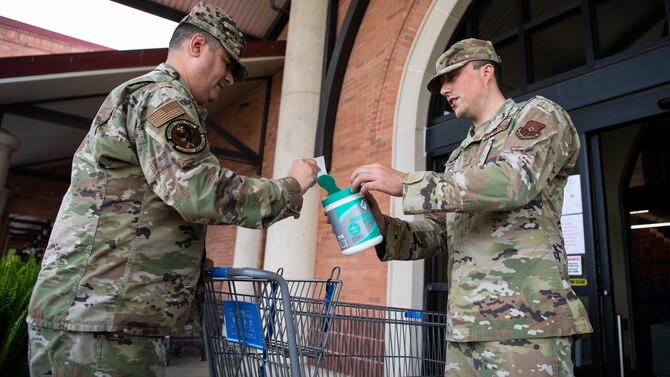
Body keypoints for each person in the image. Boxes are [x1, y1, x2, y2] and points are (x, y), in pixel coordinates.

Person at [26, 3, 319, 376]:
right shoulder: (163, 97)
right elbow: (198, 191)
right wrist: (290, 188)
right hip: (103, 318)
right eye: (228, 63)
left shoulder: (153, 96)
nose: (231, 78)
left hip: (95, 313)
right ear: (197, 45)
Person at [350, 38, 593, 376]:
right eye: (440, 84)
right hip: (466, 329)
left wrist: (406, 183)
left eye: (451, 77)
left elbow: (514, 181)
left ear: (486, 72)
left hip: (526, 324)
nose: (444, 90)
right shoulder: (458, 157)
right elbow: (436, 234)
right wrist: (377, 225)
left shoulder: (537, 115)